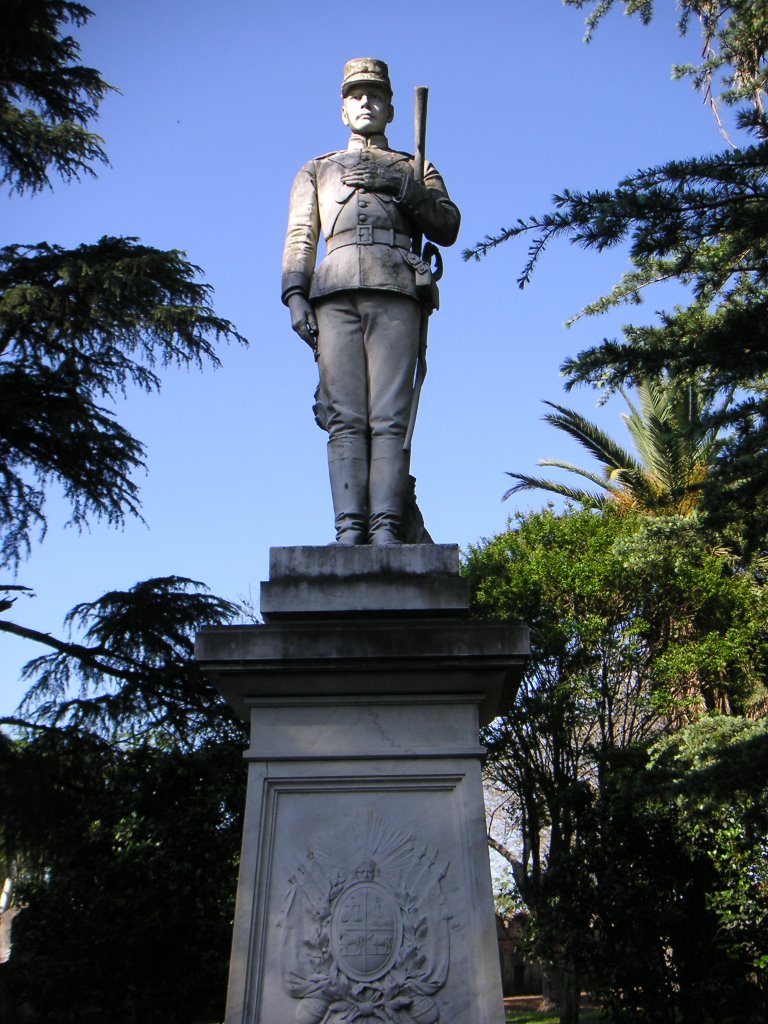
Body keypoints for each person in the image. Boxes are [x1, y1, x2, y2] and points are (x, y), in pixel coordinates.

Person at [282, 58, 460, 545]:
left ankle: (386, 527)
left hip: (396, 289)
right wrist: (295, 294)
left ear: (391, 108)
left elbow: (447, 226)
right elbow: (302, 235)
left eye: (375, 95)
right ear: (343, 110)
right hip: (332, 292)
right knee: (345, 418)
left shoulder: (413, 167)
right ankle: (349, 530)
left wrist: (404, 189)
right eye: (356, 95)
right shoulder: (317, 169)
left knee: (388, 417)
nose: (366, 102)